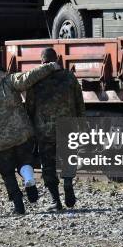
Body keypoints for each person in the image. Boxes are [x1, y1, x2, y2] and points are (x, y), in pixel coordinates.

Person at [0, 61, 60, 215]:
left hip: (1, 139)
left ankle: (18, 206)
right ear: (3, 72)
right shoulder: (9, 80)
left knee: (7, 172)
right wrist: (50, 66)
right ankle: (29, 179)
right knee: (25, 161)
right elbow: (29, 76)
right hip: (23, 133)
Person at [26, 48, 85, 211]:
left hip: (45, 130)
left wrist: (31, 128)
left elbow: (30, 106)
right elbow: (79, 102)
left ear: (41, 61)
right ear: (57, 59)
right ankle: (67, 182)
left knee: (48, 164)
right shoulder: (69, 77)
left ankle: (55, 201)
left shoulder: (36, 80)